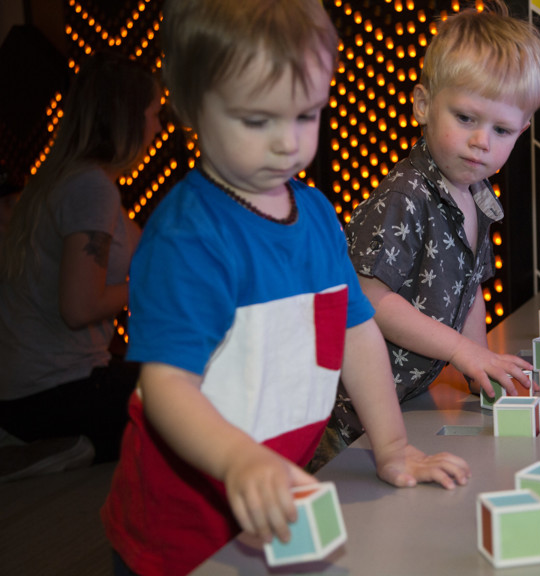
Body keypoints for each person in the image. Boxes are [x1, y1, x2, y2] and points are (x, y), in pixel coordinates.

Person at [101, 1, 470, 574]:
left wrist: (392, 448)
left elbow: (358, 333)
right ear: (189, 105)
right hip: (184, 528)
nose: (287, 143)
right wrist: (240, 462)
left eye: (306, 116)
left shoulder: (317, 214)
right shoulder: (187, 237)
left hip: (280, 506)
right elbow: (168, 387)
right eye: (257, 120)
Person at [317, 0, 540, 462]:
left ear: (522, 131)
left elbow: (470, 292)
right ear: (424, 104)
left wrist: (482, 365)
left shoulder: (477, 194)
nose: (481, 141)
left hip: (404, 409)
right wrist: (465, 353)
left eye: (501, 129)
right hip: (344, 421)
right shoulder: (406, 196)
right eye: (465, 118)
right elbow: (367, 299)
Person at [0, 51, 161, 470]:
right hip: (54, 393)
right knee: (199, 398)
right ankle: (54, 443)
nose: (158, 129)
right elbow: (80, 307)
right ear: (127, 119)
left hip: (28, 390)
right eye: (153, 114)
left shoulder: (67, 178)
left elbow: (157, 253)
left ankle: (57, 443)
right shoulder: (91, 189)